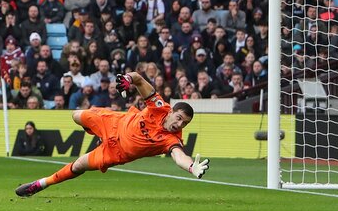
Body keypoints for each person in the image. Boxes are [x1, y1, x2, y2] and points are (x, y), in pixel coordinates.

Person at [15, 72, 210, 197]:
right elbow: (139, 79)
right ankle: (97, 133)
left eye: (184, 123)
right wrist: (127, 79)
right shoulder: (159, 106)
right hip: (114, 123)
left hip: (115, 153)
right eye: (178, 118)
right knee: (76, 116)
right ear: (170, 112)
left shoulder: (172, 139)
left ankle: (40, 184)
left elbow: (179, 157)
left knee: (79, 166)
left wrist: (192, 167)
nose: (179, 124)